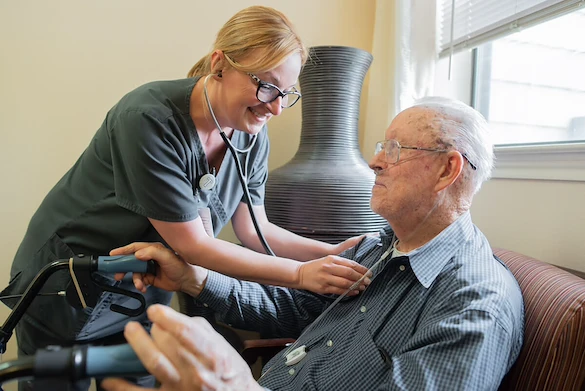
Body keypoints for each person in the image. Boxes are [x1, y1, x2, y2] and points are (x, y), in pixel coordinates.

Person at [0, 6, 370, 391]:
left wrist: (329, 253)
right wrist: (299, 275)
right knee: (56, 383)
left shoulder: (251, 133)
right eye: (266, 86)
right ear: (220, 65)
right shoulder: (147, 118)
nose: (275, 107)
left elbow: (254, 230)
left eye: (286, 93)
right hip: (68, 277)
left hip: (139, 285)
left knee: (138, 380)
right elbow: (194, 246)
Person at [100, 97, 525, 391]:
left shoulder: (473, 304)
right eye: (382, 147)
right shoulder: (379, 249)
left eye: (394, 150)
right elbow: (295, 308)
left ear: (447, 169)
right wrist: (196, 279)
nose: (376, 160)